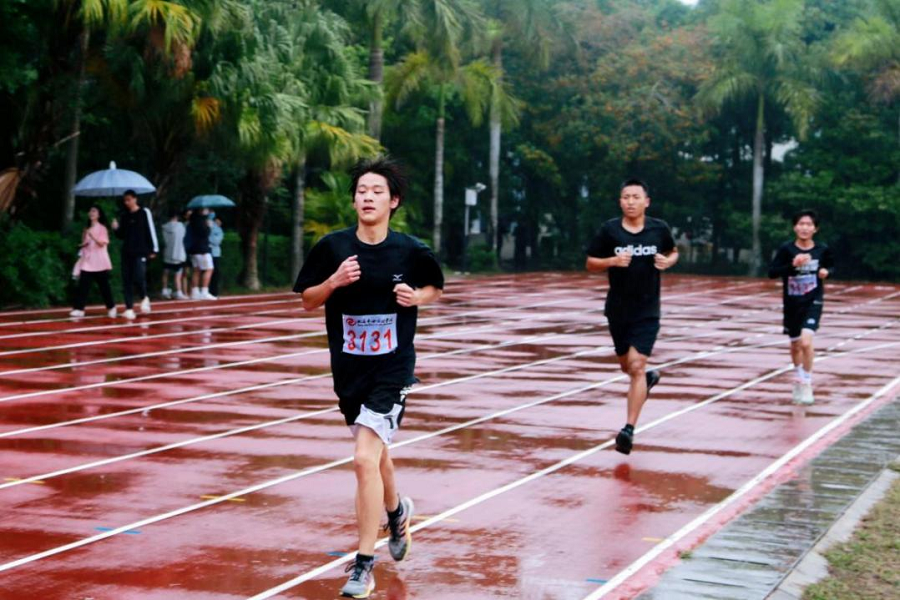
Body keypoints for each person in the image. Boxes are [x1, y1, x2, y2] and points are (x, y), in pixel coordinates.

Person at [293, 156, 444, 599]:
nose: (368, 197)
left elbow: (435, 286)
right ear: (354, 200)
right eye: (361, 191)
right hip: (349, 369)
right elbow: (307, 300)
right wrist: (334, 282)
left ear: (393, 201)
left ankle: (363, 565)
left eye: (377, 191)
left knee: (362, 458)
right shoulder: (333, 248)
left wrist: (416, 297)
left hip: (393, 368)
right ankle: (396, 514)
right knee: (375, 456)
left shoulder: (410, 251)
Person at [585, 178, 678, 455]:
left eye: (636, 197)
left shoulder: (658, 229)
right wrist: (612, 261)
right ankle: (646, 381)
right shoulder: (610, 230)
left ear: (646, 202)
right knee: (627, 366)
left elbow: (673, 251)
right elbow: (590, 263)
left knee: (636, 366)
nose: (630, 202)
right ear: (620, 201)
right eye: (626, 197)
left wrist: (668, 261)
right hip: (618, 309)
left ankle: (628, 430)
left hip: (647, 309)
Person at [768, 209, 834, 405]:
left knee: (806, 342)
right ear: (795, 227)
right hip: (792, 303)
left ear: (815, 229)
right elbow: (772, 273)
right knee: (796, 344)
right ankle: (798, 375)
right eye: (801, 224)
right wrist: (793, 265)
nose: (805, 228)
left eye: (809, 224)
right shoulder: (786, 249)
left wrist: (826, 272)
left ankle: (806, 381)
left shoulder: (822, 249)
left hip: (813, 300)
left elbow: (831, 266)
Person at [111, 190, 158, 319]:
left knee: (139, 276)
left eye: (129, 199)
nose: (127, 202)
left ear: (135, 199)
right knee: (126, 279)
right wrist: (116, 228)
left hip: (140, 251)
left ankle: (144, 296)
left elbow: (150, 230)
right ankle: (129, 308)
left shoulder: (144, 212)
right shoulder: (124, 216)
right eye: (125, 200)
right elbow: (121, 235)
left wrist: (153, 249)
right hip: (127, 251)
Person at [70, 205, 117, 318]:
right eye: (90, 211)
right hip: (88, 260)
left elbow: (102, 244)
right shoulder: (86, 229)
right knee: (83, 285)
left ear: (99, 215)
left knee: (104, 286)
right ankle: (79, 309)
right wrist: (82, 243)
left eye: (94, 211)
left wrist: (93, 236)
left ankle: (111, 307)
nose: (91, 213)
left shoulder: (102, 228)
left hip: (99, 261)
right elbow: (85, 243)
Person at [186, 208, 216, 300]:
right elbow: (205, 233)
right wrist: (209, 226)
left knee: (196, 270)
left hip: (193, 249)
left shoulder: (191, 221)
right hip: (202, 249)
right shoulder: (201, 221)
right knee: (209, 269)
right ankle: (204, 291)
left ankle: (195, 292)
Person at [161, 208, 188, 300]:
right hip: (178, 253)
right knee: (178, 274)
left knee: (166, 272)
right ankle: (179, 291)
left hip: (167, 252)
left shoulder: (164, 227)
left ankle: (164, 290)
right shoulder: (180, 226)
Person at [208, 213, 224, 298]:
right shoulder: (211, 227)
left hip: (215, 253)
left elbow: (216, 241)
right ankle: (208, 291)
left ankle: (214, 291)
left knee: (215, 273)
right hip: (209, 252)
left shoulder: (218, 229)